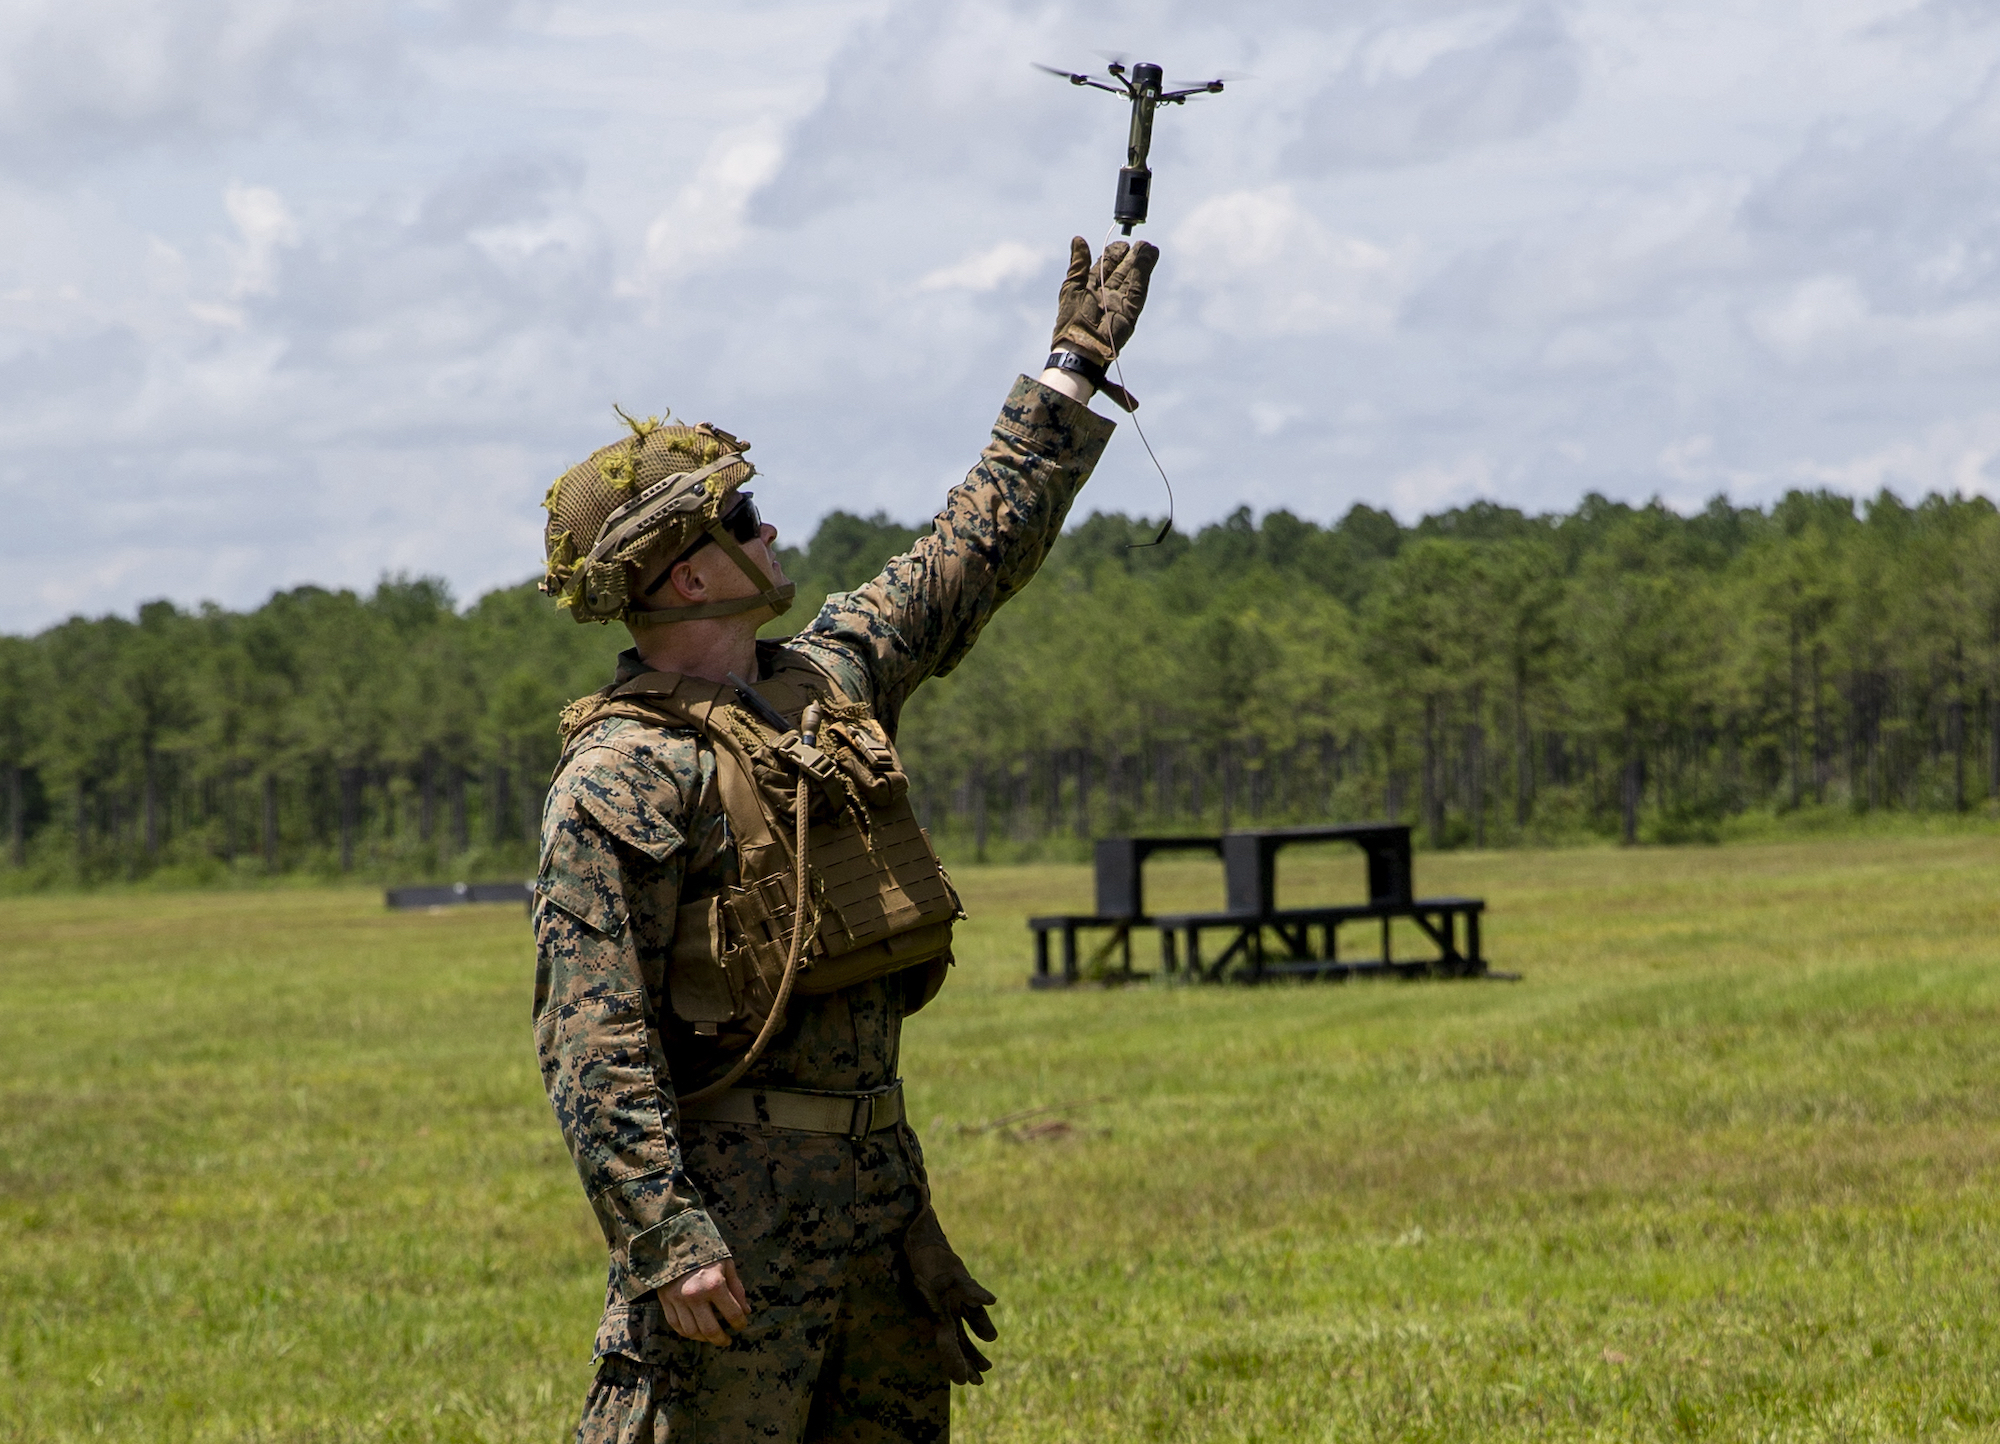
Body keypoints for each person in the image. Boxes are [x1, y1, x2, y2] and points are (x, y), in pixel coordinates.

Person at [531, 235, 1159, 1443]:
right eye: (741, 518)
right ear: (678, 576)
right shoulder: (621, 779)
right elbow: (591, 1037)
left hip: (876, 1204)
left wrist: (1071, 369)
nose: (771, 532)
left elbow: (969, 549)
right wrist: (666, 1237)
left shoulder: (826, 678)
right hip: (733, 1231)